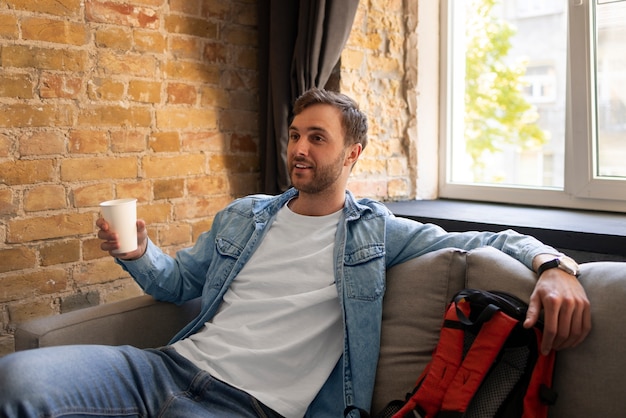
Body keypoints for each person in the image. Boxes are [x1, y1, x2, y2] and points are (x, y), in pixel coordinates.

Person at [0, 88, 590, 418]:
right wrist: (137, 249)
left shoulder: (375, 233)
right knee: (17, 380)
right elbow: (177, 283)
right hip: (165, 367)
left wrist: (555, 266)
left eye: (316, 137)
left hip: (245, 407)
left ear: (352, 154)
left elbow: (485, 241)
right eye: (294, 135)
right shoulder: (245, 214)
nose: (298, 149)